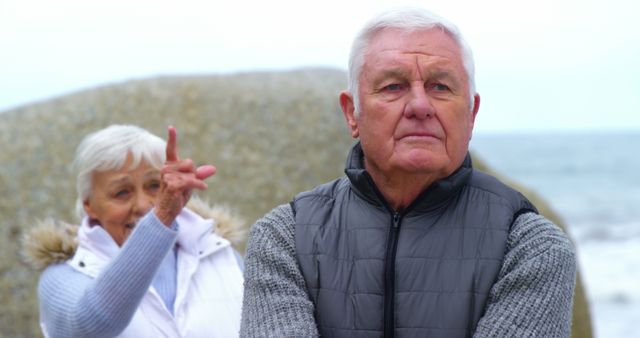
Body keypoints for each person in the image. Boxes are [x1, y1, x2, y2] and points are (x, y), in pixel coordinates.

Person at [240, 7, 576, 338]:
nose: (419, 106)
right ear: (352, 113)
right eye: (393, 87)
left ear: (471, 114)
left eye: (440, 87)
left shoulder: (530, 247)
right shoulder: (285, 236)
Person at [21, 124, 244, 337]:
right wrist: (162, 216)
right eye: (121, 192)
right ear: (89, 205)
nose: (144, 205)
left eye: (155, 186)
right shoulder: (64, 276)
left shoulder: (220, 254)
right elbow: (92, 323)